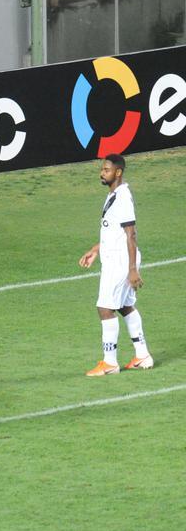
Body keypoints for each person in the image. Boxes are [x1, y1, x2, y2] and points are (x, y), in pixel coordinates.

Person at [78, 153, 153, 375]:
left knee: (104, 307)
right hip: (116, 258)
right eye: (102, 169)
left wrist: (132, 270)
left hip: (121, 262)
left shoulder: (122, 197)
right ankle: (142, 355)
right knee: (124, 306)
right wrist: (95, 249)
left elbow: (131, 235)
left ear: (118, 172)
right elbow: (113, 231)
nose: (102, 173)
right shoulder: (113, 195)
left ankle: (110, 362)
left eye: (106, 169)